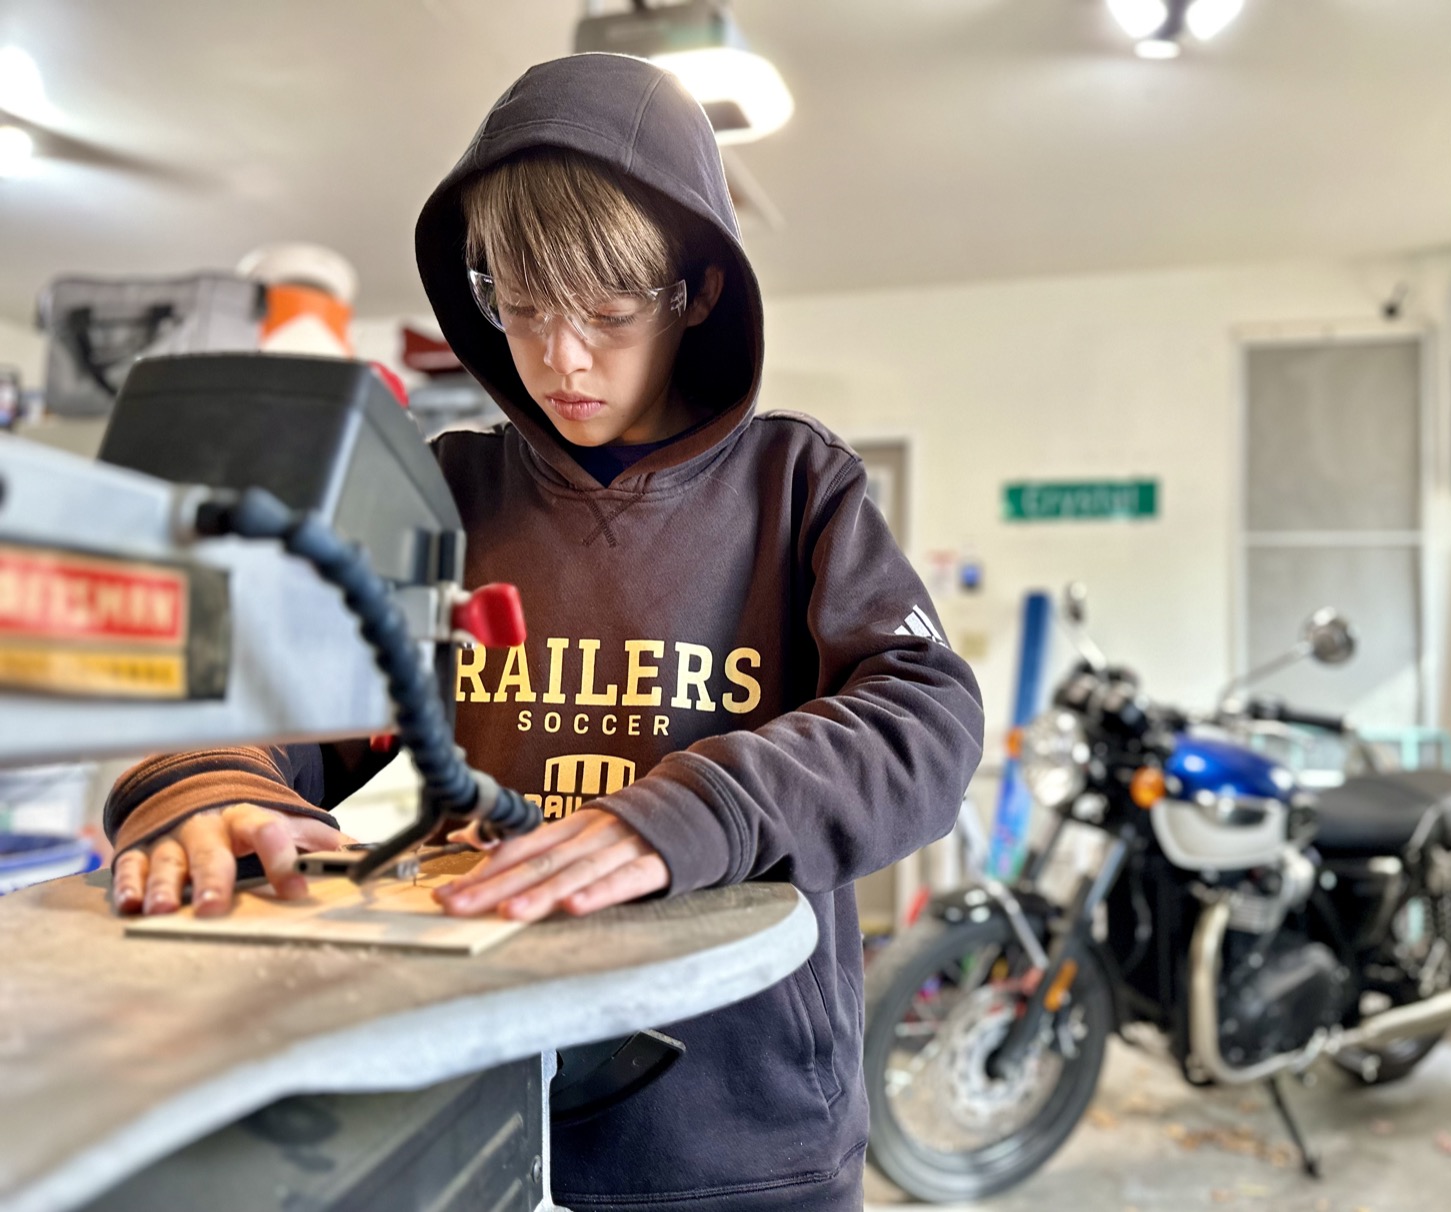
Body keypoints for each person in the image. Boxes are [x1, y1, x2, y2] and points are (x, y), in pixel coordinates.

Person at [106, 53, 984, 1210]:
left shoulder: (794, 483)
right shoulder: (449, 492)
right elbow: (294, 693)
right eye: (520, 310)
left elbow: (922, 717)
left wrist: (696, 809)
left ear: (697, 293)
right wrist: (210, 781)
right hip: (480, 1098)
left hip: (739, 1135)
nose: (562, 358)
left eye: (609, 315)